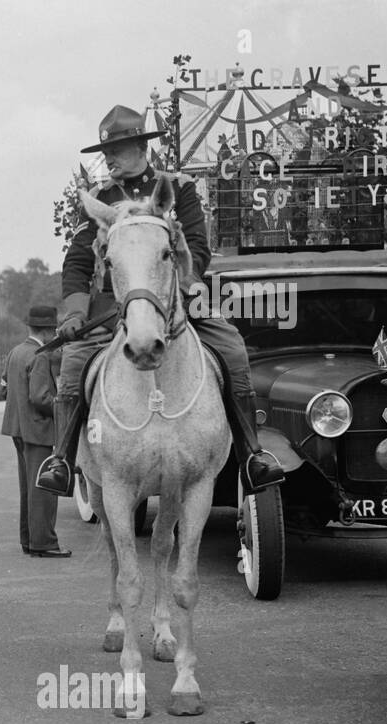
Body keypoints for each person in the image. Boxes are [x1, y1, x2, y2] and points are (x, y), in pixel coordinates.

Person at [35, 103, 285, 498]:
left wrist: (185, 284)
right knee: (74, 362)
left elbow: (199, 247)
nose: (108, 159)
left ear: (140, 148)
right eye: (105, 153)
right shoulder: (101, 198)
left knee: (233, 348)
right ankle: (63, 460)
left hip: (174, 300)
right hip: (113, 308)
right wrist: (75, 313)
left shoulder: (178, 188)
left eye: (115, 151)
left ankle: (252, 454)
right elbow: (79, 261)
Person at [1, 306, 69, 557]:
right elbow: (40, 397)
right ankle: (44, 543)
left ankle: (29, 540)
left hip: (17, 428)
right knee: (44, 488)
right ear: (50, 330)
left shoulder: (15, 352)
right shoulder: (40, 355)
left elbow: (5, 388)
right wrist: (63, 408)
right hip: (37, 430)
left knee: (27, 487)